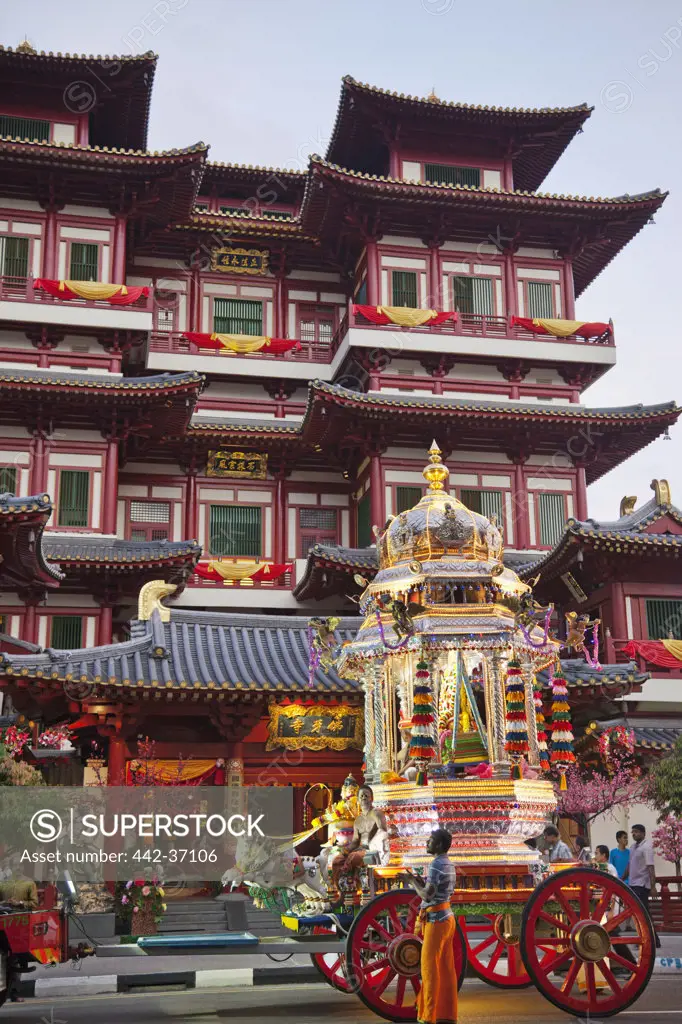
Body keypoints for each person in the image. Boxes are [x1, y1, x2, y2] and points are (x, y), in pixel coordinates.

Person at [404, 829, 457, 1024]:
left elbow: (427, 896)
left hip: (436, 921)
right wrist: (420, 882)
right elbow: (435, 890)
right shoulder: (448, 863)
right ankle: (446, 1015)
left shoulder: (436, 864)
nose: (427, 842)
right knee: (444, 969)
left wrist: (411, 882)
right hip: (446, 917)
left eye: (431, 840)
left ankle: (429, 1017)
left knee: (429, 970)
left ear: (441, 845)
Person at [330, 784, 388, 890]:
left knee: (353, 857)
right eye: (361, 796)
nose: (364, 798)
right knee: (337, 860)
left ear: (372, 798)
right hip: (361, 849)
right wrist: (345, 850)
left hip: (375, 849)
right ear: (358, 800)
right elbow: (355, 841)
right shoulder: (357, 820)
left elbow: (383, 832)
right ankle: (340, 889)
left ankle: (354, 885)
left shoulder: (377, 813)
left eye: (366, 795)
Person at [626, 823, 661, 947]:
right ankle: (653, 940)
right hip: (633, 884)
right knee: (640, 913)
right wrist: (622, 879)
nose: (634, 834)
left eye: (636, 832)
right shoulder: (633, 847)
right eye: (633, 832)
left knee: (643, 913)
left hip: (642, 885)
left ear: (643, 833)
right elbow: (630, 865)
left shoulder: (646, 847)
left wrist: (653, 887)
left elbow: (650, 867)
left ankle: (648, 940)